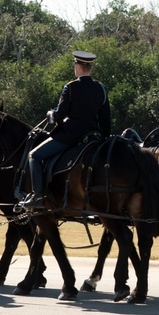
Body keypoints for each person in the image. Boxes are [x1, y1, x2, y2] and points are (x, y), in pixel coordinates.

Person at [19, 50, 112, 210]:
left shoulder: (71, 87)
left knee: (34, 155)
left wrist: (50, 114)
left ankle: (38, 195)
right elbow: (106, 119)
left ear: (79, 67)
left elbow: (59, 115)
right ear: (89, 67)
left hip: (70, 136)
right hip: (93, 137)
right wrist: (104, 138)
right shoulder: (100, 88)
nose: (74, 67)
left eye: (75, 64)